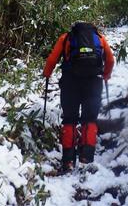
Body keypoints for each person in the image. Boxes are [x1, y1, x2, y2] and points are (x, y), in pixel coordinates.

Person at [43, 22, 114, 172]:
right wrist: (106, 75)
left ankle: (68, 161)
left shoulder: (66, 38)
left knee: (69, 119)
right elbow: (110, 60)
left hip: (70, 82)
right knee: (90, 119)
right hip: (94, 82)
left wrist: (47, 74)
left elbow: (51, 60)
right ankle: (86, 158)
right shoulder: (100, 39)